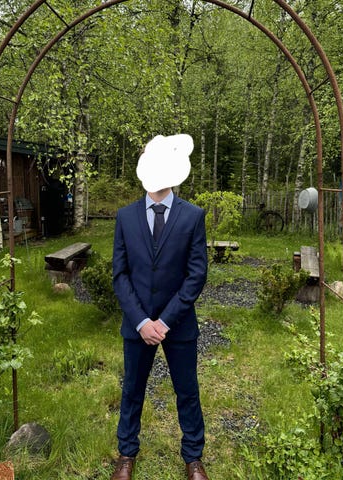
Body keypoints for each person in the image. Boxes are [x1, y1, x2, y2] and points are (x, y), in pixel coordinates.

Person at [111, 134, 209, 480]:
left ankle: (193, 458)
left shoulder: (192, 216)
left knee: (187, 391)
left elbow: (196, 275)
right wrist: (141, 321)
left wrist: (164, 321)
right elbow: (120, 275)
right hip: (137, 325)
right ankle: (126, 454)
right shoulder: (125, 217)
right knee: (132, 390)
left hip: (178, 324)